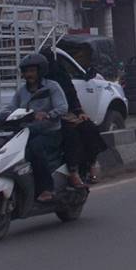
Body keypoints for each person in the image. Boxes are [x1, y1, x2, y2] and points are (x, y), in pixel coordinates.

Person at [7, 53, 70, 202]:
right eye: (26, 71)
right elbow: (10, 108)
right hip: (26, 132)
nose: (28, 74)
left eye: (32, 71)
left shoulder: (52, 87)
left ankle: (46, 188)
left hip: (49, 133)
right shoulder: (21, 91)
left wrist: (48, 114)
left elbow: (63, 107)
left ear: (40, 71)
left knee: (35, 148)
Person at [46, 53, 109, 186]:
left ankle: (92, 164)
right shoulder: (37, 86)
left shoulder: (60, 77)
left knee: (89, 128)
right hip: (51, 120)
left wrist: (79, 112)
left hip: (67, 114)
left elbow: (70, 96)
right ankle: (73, 171)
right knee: (71, 136)